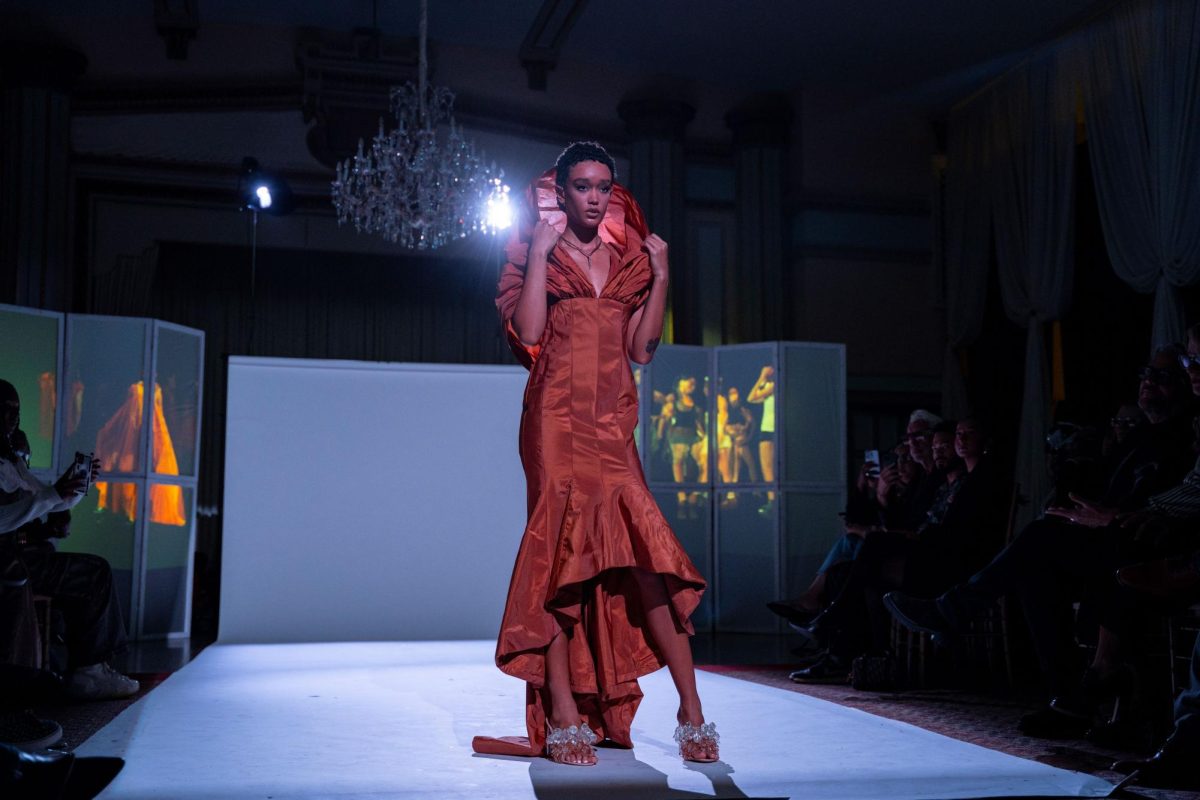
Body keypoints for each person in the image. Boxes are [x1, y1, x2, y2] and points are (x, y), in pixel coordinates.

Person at [471, 142, 716, 766]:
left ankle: (692, 710)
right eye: (582, 185)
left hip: (612, 428)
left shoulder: (629, 260)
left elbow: (642, 349)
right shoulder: (534, 257)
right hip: (553, 424)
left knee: (647, 564)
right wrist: (540, 259)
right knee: (558, 567)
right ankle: (563, 714)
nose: (594, 196)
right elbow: (527, 334)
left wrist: (661, 275)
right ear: (561, 191)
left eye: (603, 186)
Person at [885, 342, 1199, 737]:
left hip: (1158, 548)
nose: (1149, 384)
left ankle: (954, 613)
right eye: (1146, 375)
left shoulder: (1188, 434)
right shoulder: (1138, 441)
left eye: (1164, 377)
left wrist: (1112, 516)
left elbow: (1179, 502)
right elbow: (1104, 491)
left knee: (1038, 540)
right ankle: (1069, 698)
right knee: (1035, 568)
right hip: (1115, 539)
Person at [0, 380, 138, 702]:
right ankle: (89, 669)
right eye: (3, 412)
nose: (10, 421)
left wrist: (72, 490)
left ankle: (88, 667)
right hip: (10, 562)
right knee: (94, 573)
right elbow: (12, 514)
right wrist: (52, 497)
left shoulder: (11, 459)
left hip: (23, 557)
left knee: (88, 571)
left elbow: (43, 499)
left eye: (15, 414)